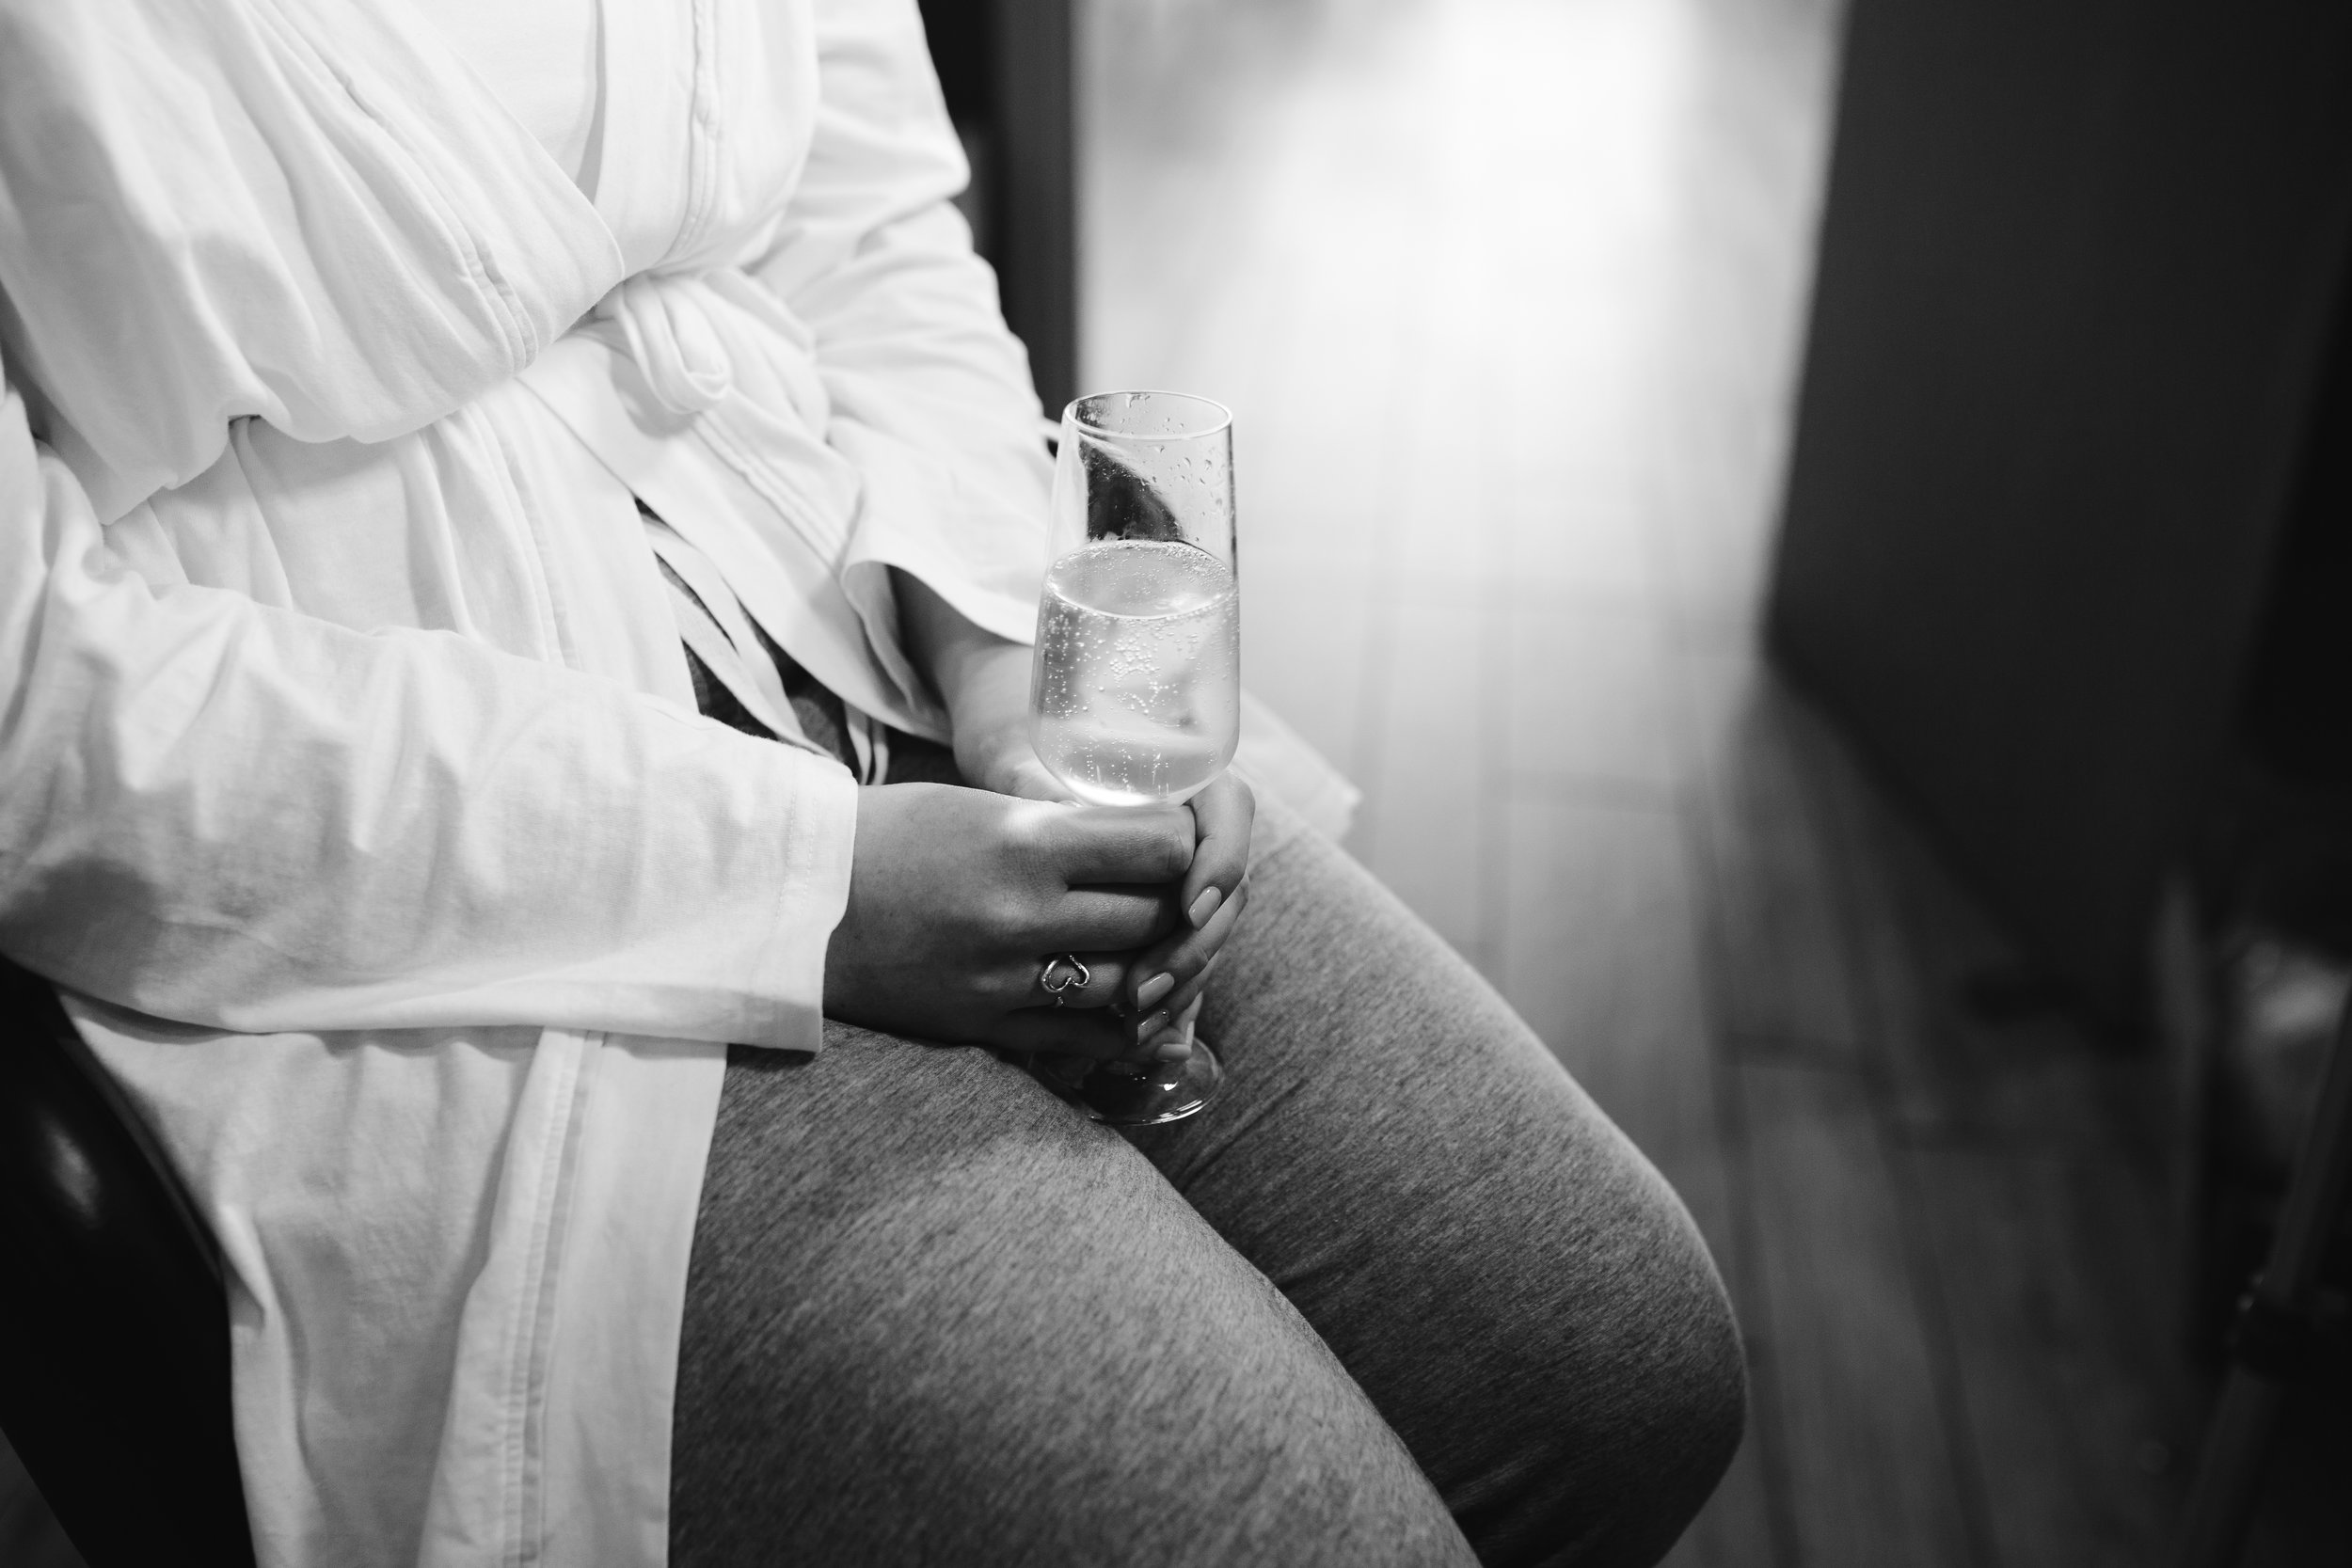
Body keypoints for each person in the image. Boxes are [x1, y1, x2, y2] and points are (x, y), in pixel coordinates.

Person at [0, 1, 1744, 1563]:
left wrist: (1021, 667)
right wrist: (817, 888)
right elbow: (36, 710)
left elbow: (872, 230)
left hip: (842, 596)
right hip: (433, 873)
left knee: (1615, 1365)